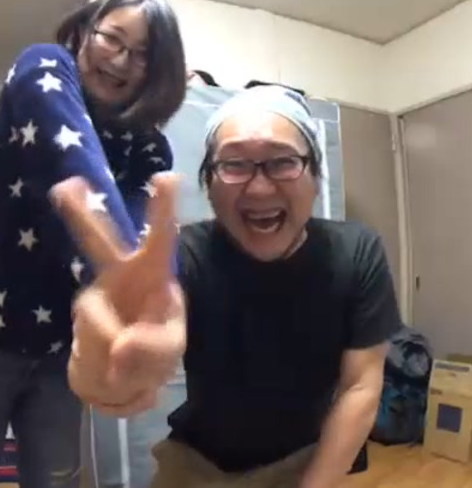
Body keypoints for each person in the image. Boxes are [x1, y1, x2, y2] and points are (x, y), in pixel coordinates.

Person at [63, 85, 402, 488]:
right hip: (195, 463)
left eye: (283, 161)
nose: (259, 188)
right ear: (209, 185)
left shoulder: (357, 252)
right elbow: (140, 329)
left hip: (306, 460)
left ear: (315, 177)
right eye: (235, 164)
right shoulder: (185, 255)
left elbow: (361, 385)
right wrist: (103, 372)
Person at [0, 0, 186, 488]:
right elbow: (73, 160)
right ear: (85, 30)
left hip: (56, 354)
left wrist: (156, 309)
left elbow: (143, 249)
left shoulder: (151, 148)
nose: (121, 60)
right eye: (113, 38)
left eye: (142, 55)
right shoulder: (42, 66)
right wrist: (128, 300)